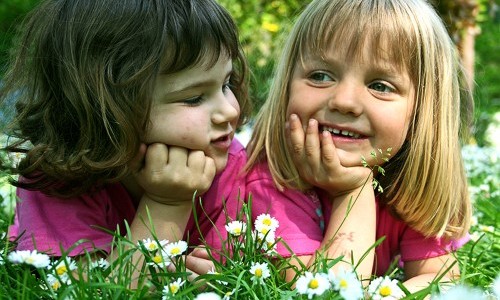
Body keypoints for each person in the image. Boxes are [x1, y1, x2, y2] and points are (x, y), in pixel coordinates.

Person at [1, 0, 250, 276]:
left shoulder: (232, 169)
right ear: (105, 112)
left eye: (226, 84)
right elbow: (94, 292)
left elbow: (224, 274)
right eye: (193, 98)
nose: (230, 110)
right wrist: (167, 205)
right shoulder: (56, 180)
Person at [245, 0, 473, 292]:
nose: (344, 101)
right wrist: (351, 191)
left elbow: (441, 281)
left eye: (380, 86)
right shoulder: (274, 179)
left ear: (422, 113)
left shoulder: (409, 185)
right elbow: (329, 292)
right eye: (321, 76)